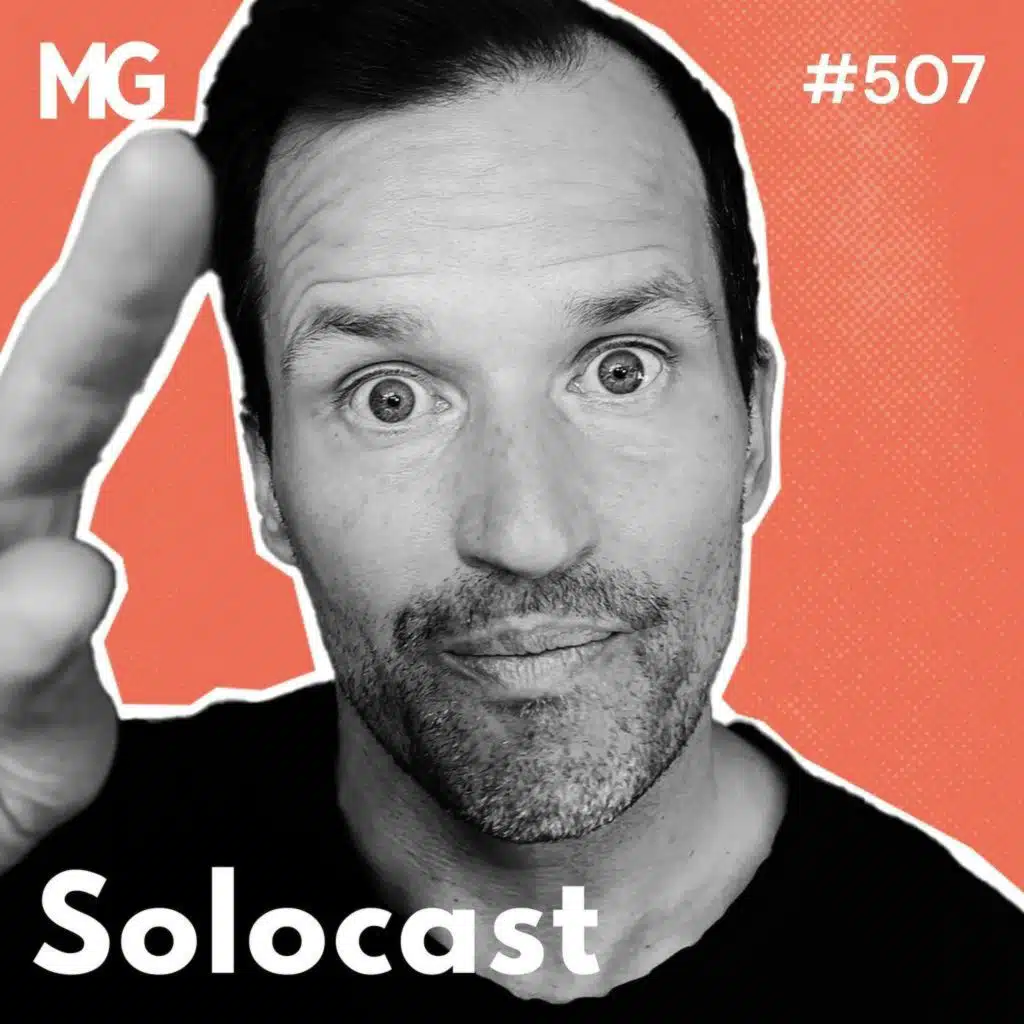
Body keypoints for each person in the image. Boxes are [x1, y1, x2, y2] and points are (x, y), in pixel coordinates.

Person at [0, 0, 1020, 1014]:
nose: (527, 535)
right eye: (390, 398)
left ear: (755, 426)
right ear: (266, 475)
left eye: (621, 371)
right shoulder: (51, 880)